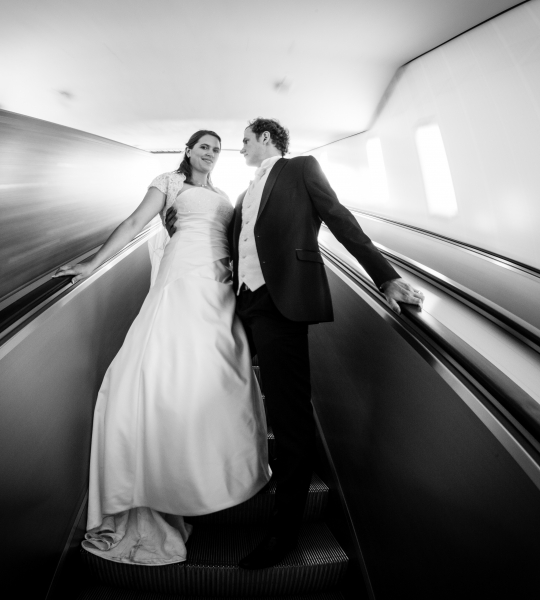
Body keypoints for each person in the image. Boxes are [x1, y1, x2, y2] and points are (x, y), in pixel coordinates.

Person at [166, 118, 424, 569]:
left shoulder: (302, 168)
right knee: (213, 390)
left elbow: (340, 219)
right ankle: (214, 479)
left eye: (245, 141)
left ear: (266, 138)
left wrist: (385, 277)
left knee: (289, 416)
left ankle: (283, 533)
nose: (241, 148)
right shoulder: (243, 195)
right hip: (240, 304)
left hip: (281, 304)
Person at [52, 130, 270, 565]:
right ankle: (157, 476)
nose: (211, 153)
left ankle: (213, 469)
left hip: (220, 283)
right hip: (182, 273)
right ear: (188, 150)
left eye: (217, 149)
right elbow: (135, 223)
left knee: (219, 368)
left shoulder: (225, 195)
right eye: (203, 146)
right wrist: (92, 263)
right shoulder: (169, 183)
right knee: (165, 364)